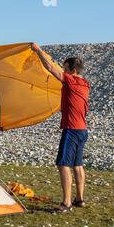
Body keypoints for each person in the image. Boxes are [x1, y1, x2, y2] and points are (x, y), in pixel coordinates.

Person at [31, 43, 91, 213]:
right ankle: (79, 199)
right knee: (77, 164)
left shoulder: (70, 81)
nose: (63, 72)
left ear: (72, 71)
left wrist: (37, 50)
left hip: (71, 129)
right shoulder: (84, 84)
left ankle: (66, 203)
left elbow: (50, 67)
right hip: (82, 130)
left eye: (65, 69)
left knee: (63, 164)